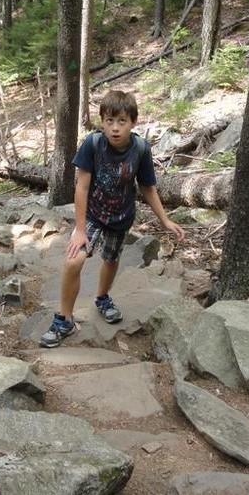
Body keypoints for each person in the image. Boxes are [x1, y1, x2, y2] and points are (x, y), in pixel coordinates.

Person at [40, 90, 184, 348]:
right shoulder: (93, 144)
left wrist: (164, 219)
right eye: (109, 121)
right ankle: (64, 319)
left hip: (122, 217)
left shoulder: (140, 149)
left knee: (111, 259)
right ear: (102, 121)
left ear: (133, 122)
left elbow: (148, 187)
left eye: (122, 121)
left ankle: (102, 297)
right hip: (93, 215)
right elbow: (81, 187)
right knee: (74, 261)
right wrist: (80, 229)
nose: (115, 128)